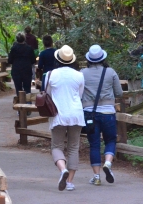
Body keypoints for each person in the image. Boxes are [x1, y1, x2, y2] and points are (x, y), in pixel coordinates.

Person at [81, 45, 123, 185]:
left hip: (90, 114)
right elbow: (119, 93)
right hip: (108, 113)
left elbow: (79, 94)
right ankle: (108, 163)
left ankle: (97, 177)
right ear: (103, 58)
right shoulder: (110, 72)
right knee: (110, 140)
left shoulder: (82, 73)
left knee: (94, 145)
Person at [46, 45, 85, 191]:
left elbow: (48, 95)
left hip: (58, 114)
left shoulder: (51, 74)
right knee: (74, 147)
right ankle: (69, 182)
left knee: (57, 146)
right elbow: (80, 96)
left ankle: (63, 170)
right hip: (76, 113)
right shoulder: (79, 75)